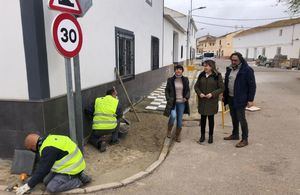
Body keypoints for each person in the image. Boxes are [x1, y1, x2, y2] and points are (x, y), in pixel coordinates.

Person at [16, 134, 91, 195]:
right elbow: (43, 167)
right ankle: (79, 175)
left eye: (30, 149)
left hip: (71, 169)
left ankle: (79, 180)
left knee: (51, 188)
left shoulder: (48, 149)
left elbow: (43, 170)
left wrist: (28, 186)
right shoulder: (49, 139)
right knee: (45, 181)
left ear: (33, 147)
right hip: (69, 165)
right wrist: (31, 180)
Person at [223, 52, 256, 148]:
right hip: (230, 97)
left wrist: (250, 99)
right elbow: (227, 82)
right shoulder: (229, 69)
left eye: (235, 60)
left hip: (240, 98)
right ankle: (235, 134)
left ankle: (245, 139)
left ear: (240, 60)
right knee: (234, 117)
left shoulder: (247, 70)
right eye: (232, 60)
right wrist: (224, 95)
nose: (233, 62)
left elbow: (252, 85)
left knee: (241, 119)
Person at [194, 60, 224, 144]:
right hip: (202, 101)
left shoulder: (217, 76)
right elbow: (196, 86)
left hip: (212, 101)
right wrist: (199, 93)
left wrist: (212, 94)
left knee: (211, 119)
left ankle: (211, 136)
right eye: (204, 66)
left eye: (207, 66)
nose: (205, 67)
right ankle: (202, 135)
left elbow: (222, 88)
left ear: (211, 67)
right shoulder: (201, 75)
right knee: (203, 119)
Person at [87, 87, 122, 152]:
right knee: (119, 120)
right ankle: (114, 140)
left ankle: (100, 143)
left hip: (98, 129)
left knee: (92, 138)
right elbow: (120, 115)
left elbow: (88, 110)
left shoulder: (97, 100)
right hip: (111, 128)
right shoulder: (116, 102)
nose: (117, 96)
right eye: (116, 94)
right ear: (113, 94)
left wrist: (93, 118)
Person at [164, 64, 190, 142]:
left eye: (180, 69)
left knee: (179, 120)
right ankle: (169, 130)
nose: (178, 70)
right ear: (175, 70)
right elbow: (166, 90)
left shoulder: (185, 79)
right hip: (173, 102)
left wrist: (186, 97)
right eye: (177, 69)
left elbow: (188, 90)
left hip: (181, 102)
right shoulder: (170, 80)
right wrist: (168, 99)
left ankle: (177, 135)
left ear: (182, 71)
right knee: (173, 116)